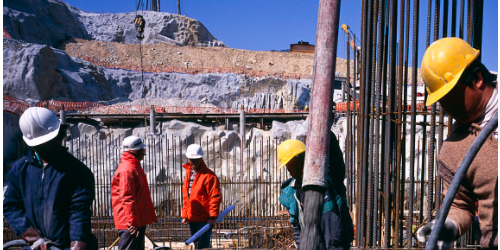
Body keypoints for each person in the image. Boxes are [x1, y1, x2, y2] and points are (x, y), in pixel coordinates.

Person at [416, 37, 497, 249]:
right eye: (443, 101)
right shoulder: (454, 149)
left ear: (478, 78)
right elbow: (460, 204)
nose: (449, 108)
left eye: (453, 96)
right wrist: (447, 226)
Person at [4, 107, 98, 250]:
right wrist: (30, 234)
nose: (54, 144)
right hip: (34, 247)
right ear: (33, 145)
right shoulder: (19, 170)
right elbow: (11, 206)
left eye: (54, 139)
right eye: (44, 144)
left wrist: (78, 243)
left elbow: (79, 212)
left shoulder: (77, 171)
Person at [277, 132, 354, 250]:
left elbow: (335, 159)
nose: (288, 171)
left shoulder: (328, 178)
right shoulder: (293, 192)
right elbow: (297, 228)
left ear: (299, 160)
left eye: (289, 166)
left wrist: (326, 130)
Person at [111, 136, 157, 250]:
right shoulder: (128, 169)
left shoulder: (134, 166)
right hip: (130, 223)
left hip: (136, 220)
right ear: (135, 151)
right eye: (142, 149)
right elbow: (127, 197)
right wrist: (132, 222)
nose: (144, 152)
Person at [181, 143, 222, 249]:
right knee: (195, 244)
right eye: (192, 160)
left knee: (203, 246)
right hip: (192, 217)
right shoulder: (188, 174)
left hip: (204, 219)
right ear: (188, 159)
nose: (194, 162)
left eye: (196, 160)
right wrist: (185, 214)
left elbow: (214, 197)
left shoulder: (209, 176)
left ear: (201, 159)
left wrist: (212, 217)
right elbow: (187, 196)